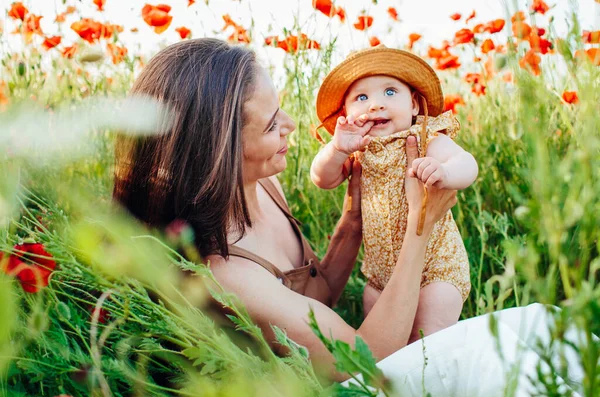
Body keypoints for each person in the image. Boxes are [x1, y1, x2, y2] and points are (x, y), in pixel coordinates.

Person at [113, 38, 585, 394]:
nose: (292, 126)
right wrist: (420, 227)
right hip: (350, 382)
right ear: (218, 150)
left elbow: (317, 293)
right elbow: (366, 360)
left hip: (373, 354)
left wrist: (354, 217)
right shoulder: (225, 270)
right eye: (272, 121)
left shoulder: (261, 182)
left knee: (545, 332)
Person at [310, 46, 478, 341]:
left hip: (435, 268)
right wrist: (336, 149)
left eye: (390, 92)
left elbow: (468, 163)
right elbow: (321, 178)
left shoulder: (424, 139)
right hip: (380, 277)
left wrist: (446, 173)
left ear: (414, 105)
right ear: (346, 113)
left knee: (427, 342)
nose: (375, 105)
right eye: (361, 98)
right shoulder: (358, 149)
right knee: (386, 346)